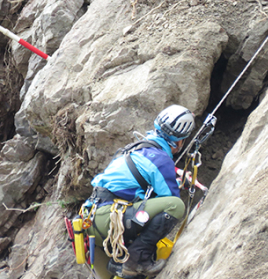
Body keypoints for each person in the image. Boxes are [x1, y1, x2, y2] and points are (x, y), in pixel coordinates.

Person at [82, 104, 195, 279]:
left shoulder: (132, 150)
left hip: (89, 223)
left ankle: (131, 264)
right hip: (110, 220)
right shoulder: (161, 159)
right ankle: (136, 259)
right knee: (176, 206)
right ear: (179, 142)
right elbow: (170, 201)